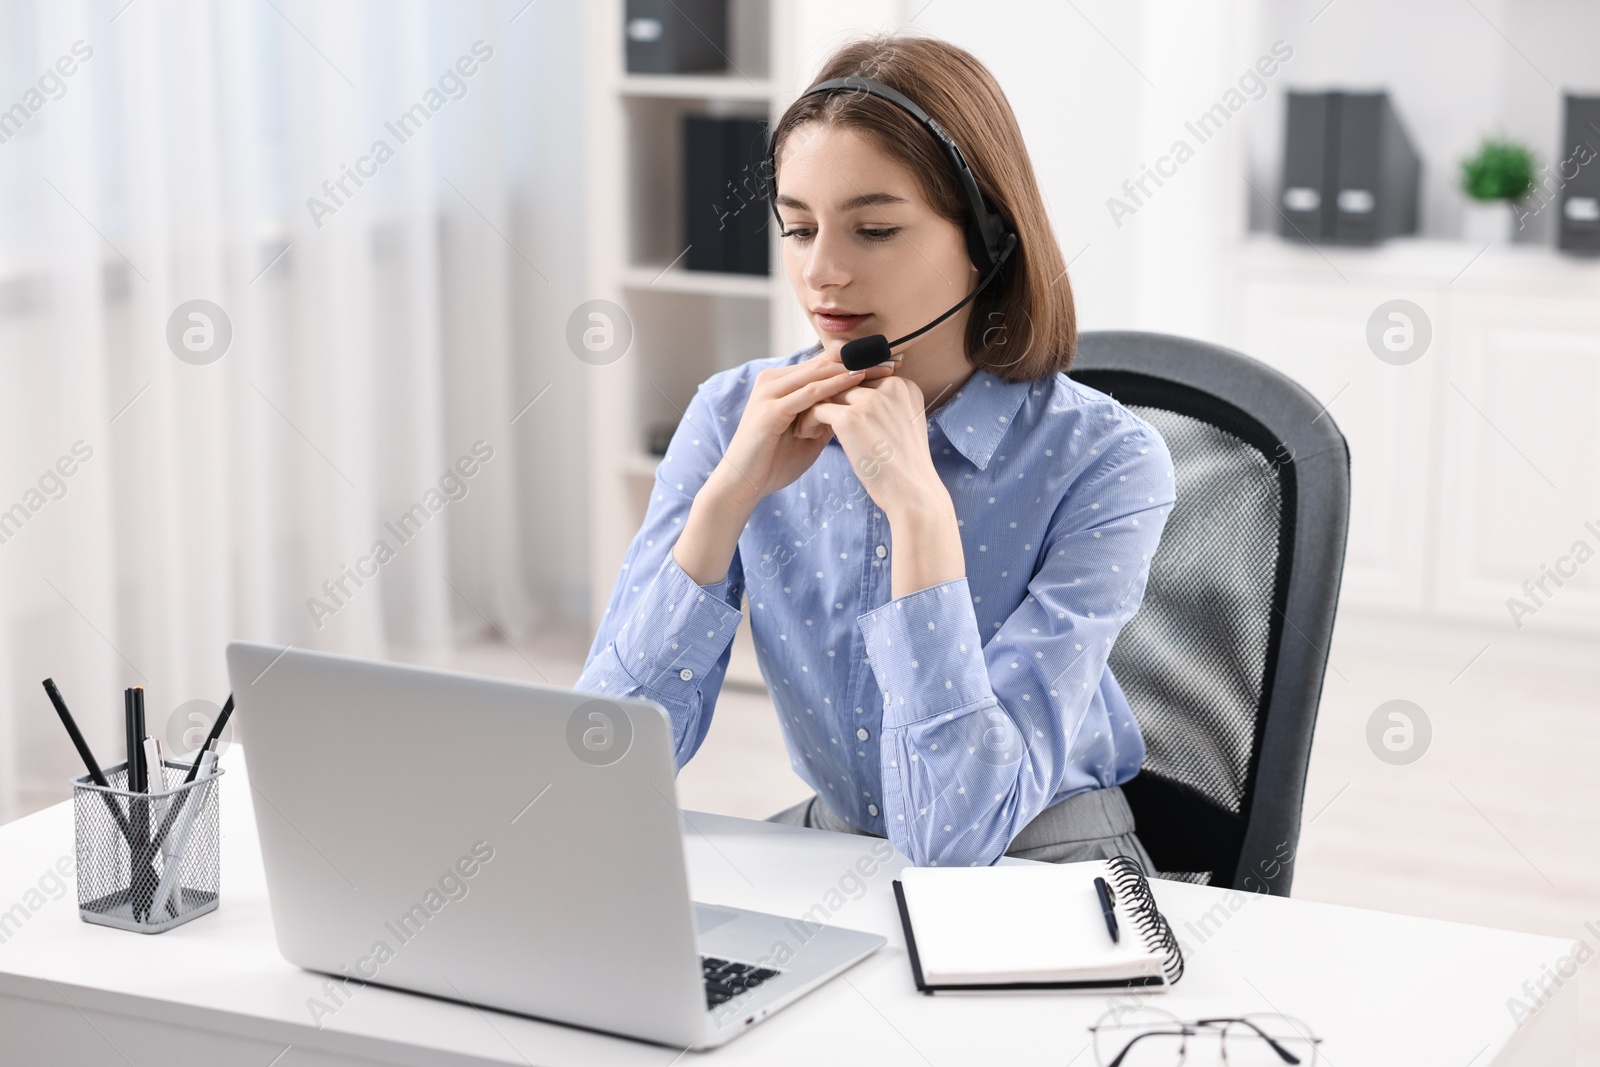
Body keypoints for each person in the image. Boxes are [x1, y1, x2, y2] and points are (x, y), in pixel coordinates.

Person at [574, 32, 1175, 869]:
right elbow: (596, 766)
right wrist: (723, 505)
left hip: (1038, 865)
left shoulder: (1108, 461)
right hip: (838, 849)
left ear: (989, 238)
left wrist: (920, 510)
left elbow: (953, 837)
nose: (823, 272)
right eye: (798, 228)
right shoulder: (729, 417)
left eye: (875, 229)